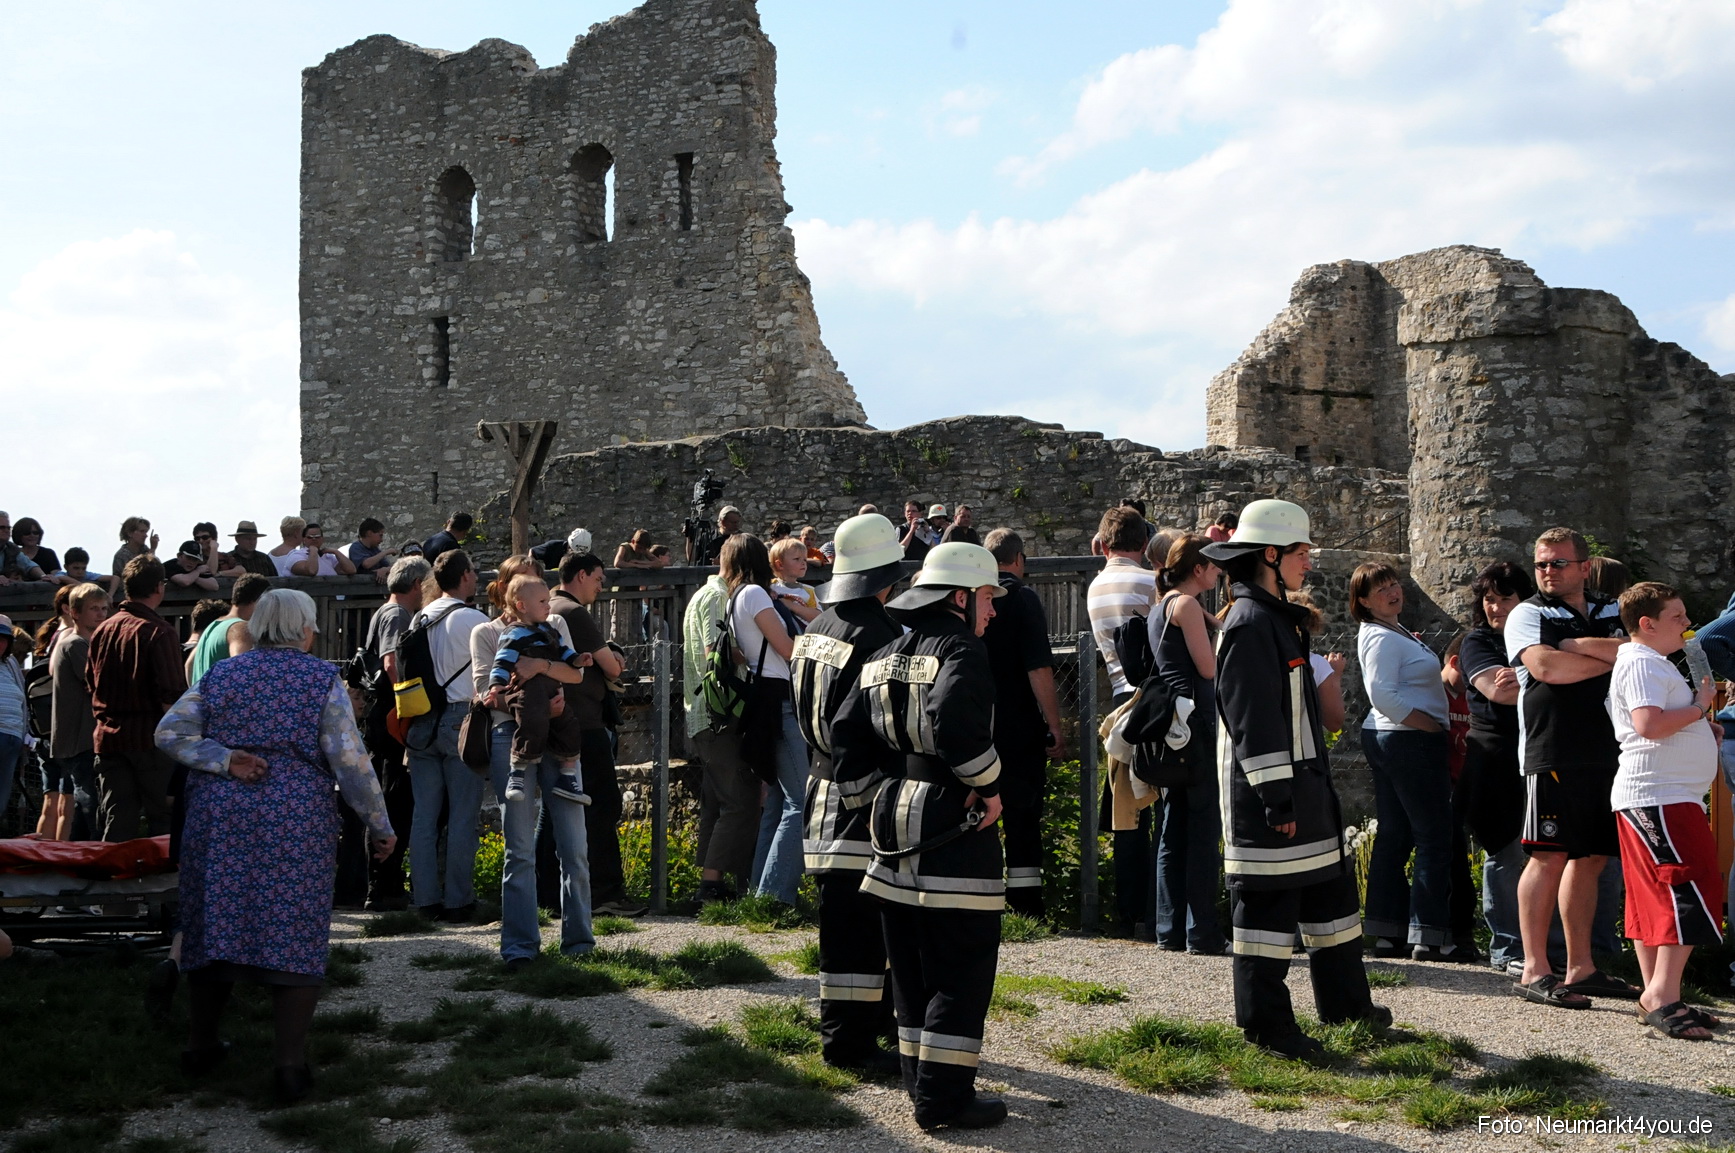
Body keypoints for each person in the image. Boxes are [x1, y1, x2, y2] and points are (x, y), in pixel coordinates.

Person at [154, 587, 395, 1103]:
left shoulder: (222, 674)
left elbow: (169, 733)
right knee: (294, 929)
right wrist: (378, 823)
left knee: (214, 924)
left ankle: (200, 1047)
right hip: (295, 817)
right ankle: (288, 1066)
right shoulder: (320, 680)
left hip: (220, 816)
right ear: (306, 631)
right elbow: (350, 761)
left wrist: (224, 758)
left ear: (258, 628)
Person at [831, 542, 1009, 1131]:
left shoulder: (884, 653)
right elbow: (958, 720)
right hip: (950, 827)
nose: (992, 611)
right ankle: (945, 1099)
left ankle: (920, 1088)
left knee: (908, 969)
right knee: (961, 965)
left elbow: (845, 733)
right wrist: (988, 787)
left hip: (891, 822)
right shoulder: (962, 648)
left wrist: (868, 802)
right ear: (959, 597)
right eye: (987, 598)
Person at [1202, 499, 1388, 1059]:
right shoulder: (1249, 623)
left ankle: (1347, 1008)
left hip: (1306, 791)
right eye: (1301, 551)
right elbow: (1252, 721)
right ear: (1270, 555)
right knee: (1264, 919)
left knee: (1333, 908)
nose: (1309, 561)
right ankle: (1267, 1028)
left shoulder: (1275, 619)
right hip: (1271, 799)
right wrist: (1276, 799)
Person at [788, 513, 906, 1073]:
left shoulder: (816, 627)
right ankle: (849, 1045)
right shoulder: (878, 635)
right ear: (886, 576)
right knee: (857, 932)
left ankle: (862, 1028)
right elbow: (869, 726)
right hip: (858, 795)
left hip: (818, 786)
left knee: (844, 923)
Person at [1507, 527, 1636, 1009]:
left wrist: (1576, 646)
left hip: (1608, 750)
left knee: (1592, 857)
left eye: (1558, 563)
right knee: (1549, 854)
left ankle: (1581, 968)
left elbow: (1641, 652)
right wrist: (1606, 652)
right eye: (1541, 563)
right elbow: (1547, 670)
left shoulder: (1610, 608)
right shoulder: (1528, 613)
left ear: (1584, 566)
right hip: (1553, 751)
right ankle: (1534, 968)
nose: (1547, 572)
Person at [1607, 582, 1722, 1040]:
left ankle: (1657, 991)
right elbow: (1649, 724)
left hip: (1662, 794)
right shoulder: (1641, 662)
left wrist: (1699, 728)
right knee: (1690, 885)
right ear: (1647, 624)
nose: (1688, 625)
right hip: (1659, 794)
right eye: (1678, 618)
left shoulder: (1651, 663)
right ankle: (1662, 996)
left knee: (1655, 895)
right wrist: (1698, 708)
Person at [470, 556, 594, 968]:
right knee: (519, 851)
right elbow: (488, 695)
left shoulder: (554, 625)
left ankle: (579, 943)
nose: (543, 596)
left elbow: (576, 676)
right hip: (512, 736)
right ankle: (520, 948)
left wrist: (539, 666)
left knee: (574, 847)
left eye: (542, 585)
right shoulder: (486, 633)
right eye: (532, 588)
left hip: (558, 736)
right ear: (511, 593)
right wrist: (531, 698)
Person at [1351, 563, 1463, 962]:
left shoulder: (1394, 633)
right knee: (1433, 837)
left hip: (1395, 738)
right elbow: (1383, 696)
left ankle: (1387, 931)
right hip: (1408, 739)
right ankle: (1429, 935)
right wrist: (1430, 727)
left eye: (1394, 584)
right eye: (1381, 589)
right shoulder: (1381, 636)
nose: (1392, 592)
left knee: (1395, 834)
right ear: (1363, 601)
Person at [1146, 534, 1227, 955]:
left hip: (1170, 727)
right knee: (1201, 829)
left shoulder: (1163, 605)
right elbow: (1208, 668)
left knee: (1172, 830)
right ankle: (1203, 932)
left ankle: (1169, 928)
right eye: (1214, 566)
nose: (1218, 572)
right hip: (1195, 723)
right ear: (1198, 569)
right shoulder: (1189, 605)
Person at [1456, 561, 1537, 976]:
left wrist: (1521, 674)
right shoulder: (1477, 642)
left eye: (1506, 598)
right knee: (1505, 854)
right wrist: (1545, 671)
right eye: (1489, 598)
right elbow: (1497, 693)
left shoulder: (1538, 636)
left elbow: (1513, 687)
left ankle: (1544, 948)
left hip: (1537, 756)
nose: (1495, 607)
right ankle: (1506, 948)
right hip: (1494, 760)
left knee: (1542, 856)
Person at [551, 551, 641, 916]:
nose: (602, 586)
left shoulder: (550, 607)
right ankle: (605, 895)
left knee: (559, 812)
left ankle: (556, 893)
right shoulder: (573, 612)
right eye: (599, 578)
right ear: (581, 575)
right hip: (586, 724)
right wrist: (615, 660)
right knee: (603, 807)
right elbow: (613, 668)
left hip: (560, 722)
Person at [981, 528, 1064, 919]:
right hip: (1017, 725)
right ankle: (1026, 909)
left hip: (977, 722)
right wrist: (1055, 726)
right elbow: (1038, 668)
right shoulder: (1022, 599)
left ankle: (982, 900)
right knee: (1022, 817)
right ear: (1019, 561)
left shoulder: (970, 597)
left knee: (978, 813)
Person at [723, 534, 810, 907]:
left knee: (777, 799)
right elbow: (788, 649)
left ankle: (760, 891)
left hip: (762, 696)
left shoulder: (737, 598)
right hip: (780, 698)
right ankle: (774, 897)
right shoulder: (756, 595)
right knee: (801, 801)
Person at [403, 549, 490, 922]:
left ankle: (424, 899)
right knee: (461, 816)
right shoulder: (474, 619)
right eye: (472, 571)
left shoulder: (419, 618)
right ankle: (458, 900)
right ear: (465, 577)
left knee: (424, 818)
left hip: (422, 718)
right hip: (460, 717)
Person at [1086, 504, 1156, 936]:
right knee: (1163, 807)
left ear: (1104, 544)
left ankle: (1130, 912)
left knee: (1128, 813)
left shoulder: (1094, 586)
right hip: (1155, 698)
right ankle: (1160, 909)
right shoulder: (1151, 582)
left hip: (1118, 698)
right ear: (1145, 543)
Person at [86, 555, 188, 841]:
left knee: (116, 818)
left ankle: (114, 882)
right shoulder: (160, 632)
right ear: (159, 587)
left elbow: (90, 684)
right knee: (164, 819)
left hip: (108, 738)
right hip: (151, 740)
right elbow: (172, 698)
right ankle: (162, 884)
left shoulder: (102, 630)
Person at [684, 563, 759, 902]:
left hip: (705, 715)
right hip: (721, 714)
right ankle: (713, 887)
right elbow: (717, 653)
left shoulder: (701, 594)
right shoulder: (717, 597)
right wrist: (762, 654)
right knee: (740, 803)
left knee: (717, 805)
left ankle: (711, 882)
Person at [359, 555, 430, 910]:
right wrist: (411, 707)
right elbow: (391, 663)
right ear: (417, 584)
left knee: (391, 801)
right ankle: (383, 887)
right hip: (390, 722)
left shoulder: (385, 612)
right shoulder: (396, 615)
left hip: (384, 719)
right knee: (394, 802)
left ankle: (382, 885)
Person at [483, 575, 591, 804]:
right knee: (531, 719)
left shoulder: (550, 630)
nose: (548, 606)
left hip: (551, 693)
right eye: (542, 601)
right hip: (526, 692)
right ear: (522, 606)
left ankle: (568, 777)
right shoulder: (514, 634)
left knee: (570, 724)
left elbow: (564, 653)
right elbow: (501, 663)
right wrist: (496, 686)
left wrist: (579, 659)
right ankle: (518, 771)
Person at [48, 584, 109, 840]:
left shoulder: (88, 643)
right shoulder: (75, 644)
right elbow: (98, 686)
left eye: (104, 608)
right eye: (93, 608)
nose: (100, 614)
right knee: (90, 803)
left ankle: (81, 858)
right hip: (79, 739)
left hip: (84, 739)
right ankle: (94, 856)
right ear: (74, 612)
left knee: (82, 806)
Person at [190, 575, 269, 683]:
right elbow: (244, 671)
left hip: (207, 698)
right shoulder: (240, 630)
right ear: (257, 601)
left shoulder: (214, 625)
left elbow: (189, 665)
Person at [0, 617, 25, 818]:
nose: (0, 643)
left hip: (12, 737)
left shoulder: (10, 664)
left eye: (4, 639)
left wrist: (25, 734)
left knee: (1, 799)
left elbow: (23, 698)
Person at [769, 537, 821, 624]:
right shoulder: (769, 586)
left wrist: (790, 605)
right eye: (797, 559)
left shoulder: (809, 591)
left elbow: (818, 618)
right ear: (780, 564)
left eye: (805, 559)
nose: (804, 563)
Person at [11, 517, 72, 586]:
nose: (32, 535)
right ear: (19, 535)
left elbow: (57, 576)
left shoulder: (48, 554)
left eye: (35, 533)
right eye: (27, 533)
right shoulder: (12, 554)